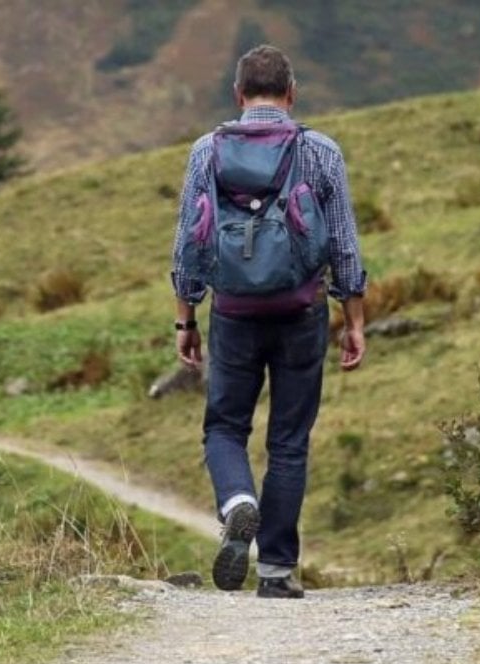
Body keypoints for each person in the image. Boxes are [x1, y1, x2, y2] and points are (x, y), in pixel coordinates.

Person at [170, 45, 367, 599]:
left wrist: (186, 320)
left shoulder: (206, 151)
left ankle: (238, 501)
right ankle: (277, 570)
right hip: (301, 311)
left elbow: (188, 243)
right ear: (291, 93)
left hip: (233, 312)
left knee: (224, 427)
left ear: (238, 95)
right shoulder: (320, 151)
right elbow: (344, 244)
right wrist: (353, 319)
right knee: (289, 440)